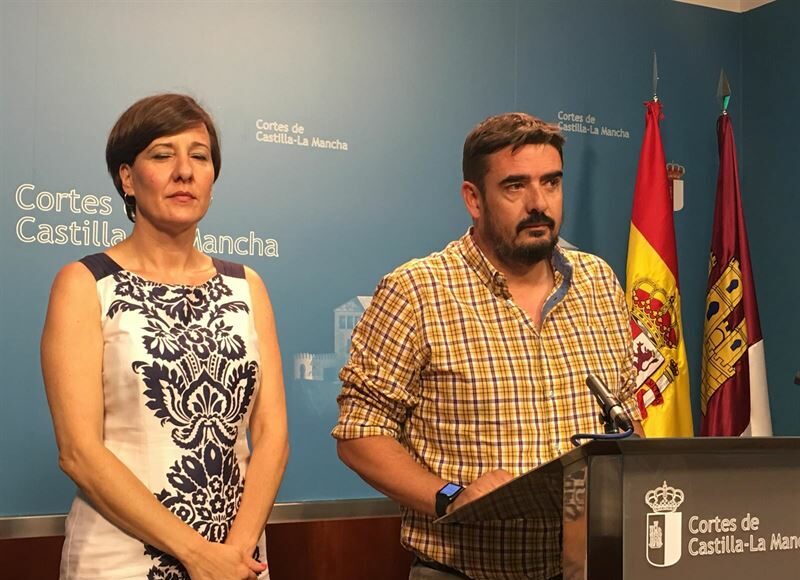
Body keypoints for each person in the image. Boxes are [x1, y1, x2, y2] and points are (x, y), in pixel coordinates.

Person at [333, 112, 642, 580]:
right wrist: (450, 495)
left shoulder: (598, 282)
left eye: (551, 182)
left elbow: (626, 415)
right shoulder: (416, 291)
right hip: (461, 571)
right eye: (515, 186)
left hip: (586, 567)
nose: (539, 203)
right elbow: (360, 434)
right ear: (473, 199)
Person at [41, 94, 289, 580]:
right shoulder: (85, 283)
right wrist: (197, 554)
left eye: (199, 156)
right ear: (127, 178)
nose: (184, 171)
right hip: (120, 560)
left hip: (237, 561)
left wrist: (234, 552)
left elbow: (272, 435)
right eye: (162, 155)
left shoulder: (247, 285)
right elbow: (79, 453)